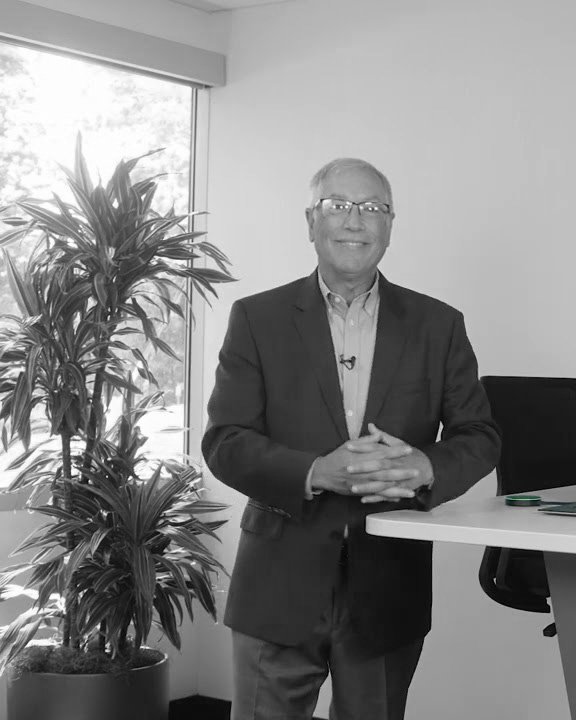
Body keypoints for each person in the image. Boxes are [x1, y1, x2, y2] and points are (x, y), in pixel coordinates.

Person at [202, 158, 500, 720]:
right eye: (338, 205)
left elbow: (479, 436)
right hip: (278, 582)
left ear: (390, 226)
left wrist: (425, 467)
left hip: (387, 584)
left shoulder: (438, 325)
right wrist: (317, 472)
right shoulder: (257, 319)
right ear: (310, 221)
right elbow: (225, 441)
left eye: (372, 208)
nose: (355, 221)